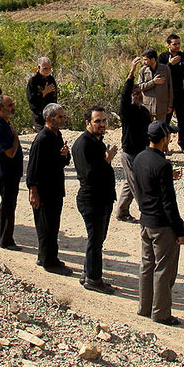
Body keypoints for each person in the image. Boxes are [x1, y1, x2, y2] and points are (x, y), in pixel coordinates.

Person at [136, 121, 184, 326]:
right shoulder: (163, 164)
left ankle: (144, 307)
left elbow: (145, 184)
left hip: (145, 219)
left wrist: (167, 177)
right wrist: (179, 229)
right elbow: (169, 202)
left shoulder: (140, 158)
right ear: (164, 138)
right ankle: (161, 313)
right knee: (164, 269)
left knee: (147, 265)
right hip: (162, 225)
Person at [71, 105, 118, 294]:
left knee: (97, 239)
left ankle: (88, 272)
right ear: (87, 123)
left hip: (103, 198)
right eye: (97, 121)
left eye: (104, 120)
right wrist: (107, 159)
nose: (102, 124)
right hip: (92, 200)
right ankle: (93, 279)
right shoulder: (83, 144)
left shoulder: (96, 141)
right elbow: (89, 174)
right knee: (96, 239)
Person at [26, 103, 72, 274]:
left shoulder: (57, 135)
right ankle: (49, 262)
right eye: (59, 117)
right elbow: (33, 168)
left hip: (55, 189)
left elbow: (61, 161)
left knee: (52, 226)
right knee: (46, 227)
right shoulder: (42, 139)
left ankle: (44, 256)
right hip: (44, 192)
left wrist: (65, 154)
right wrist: (33, 192)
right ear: (48, 118)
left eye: (63, 116)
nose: (62, 119)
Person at [116, 57, 153, 223]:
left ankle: (122, 212)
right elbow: (124, 96)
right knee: (137, 184)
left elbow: (149, 132)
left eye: (139, 93)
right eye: (134, 93)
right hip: (129, 153)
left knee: (130, 183)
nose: (137, 96)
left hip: (142, 153)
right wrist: (131, 73)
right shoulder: (127, 112)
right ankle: (148, 215)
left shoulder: (144, 112)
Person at [0, 95, 23, 250]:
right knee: (9, 205)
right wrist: (16, 139)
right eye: (9, 105)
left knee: (5, 204)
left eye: (13, 104)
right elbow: (9, 153)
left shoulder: (3, 123)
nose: (12, 107)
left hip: (6, 171)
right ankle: (6, 240)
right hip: (6, 172)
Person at [158, 34, 184, 153]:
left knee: (182, 119)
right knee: (165, 120)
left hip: (181, 93)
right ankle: (164, 144)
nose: (177, 46)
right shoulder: (162, 57)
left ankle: (182, 143)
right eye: (174, 44)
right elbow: (159, 73)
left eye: (178, 44)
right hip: (167, 94)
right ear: (168, 45)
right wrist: (170, 65)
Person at [138, 49, 173, 121]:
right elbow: (140, 87)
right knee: (147, 130)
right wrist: (153, 82)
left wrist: (170, 105)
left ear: (153, 59)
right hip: (147, 107)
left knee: (160, 129)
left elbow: (170, 88)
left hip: (161, 106)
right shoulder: (143, 70)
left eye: (145, 60)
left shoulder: (165, 69)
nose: (144, 62)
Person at [26, 57, 58, 131]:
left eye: (49, 68)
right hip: (39, 114)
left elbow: (54, 96)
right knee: (42, 134)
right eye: (45, 68)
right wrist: (44, 92)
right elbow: (31, 99)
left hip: (51, 114)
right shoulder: (33, 81)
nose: (48, 71)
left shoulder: (51, 79)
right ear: (39, 67)